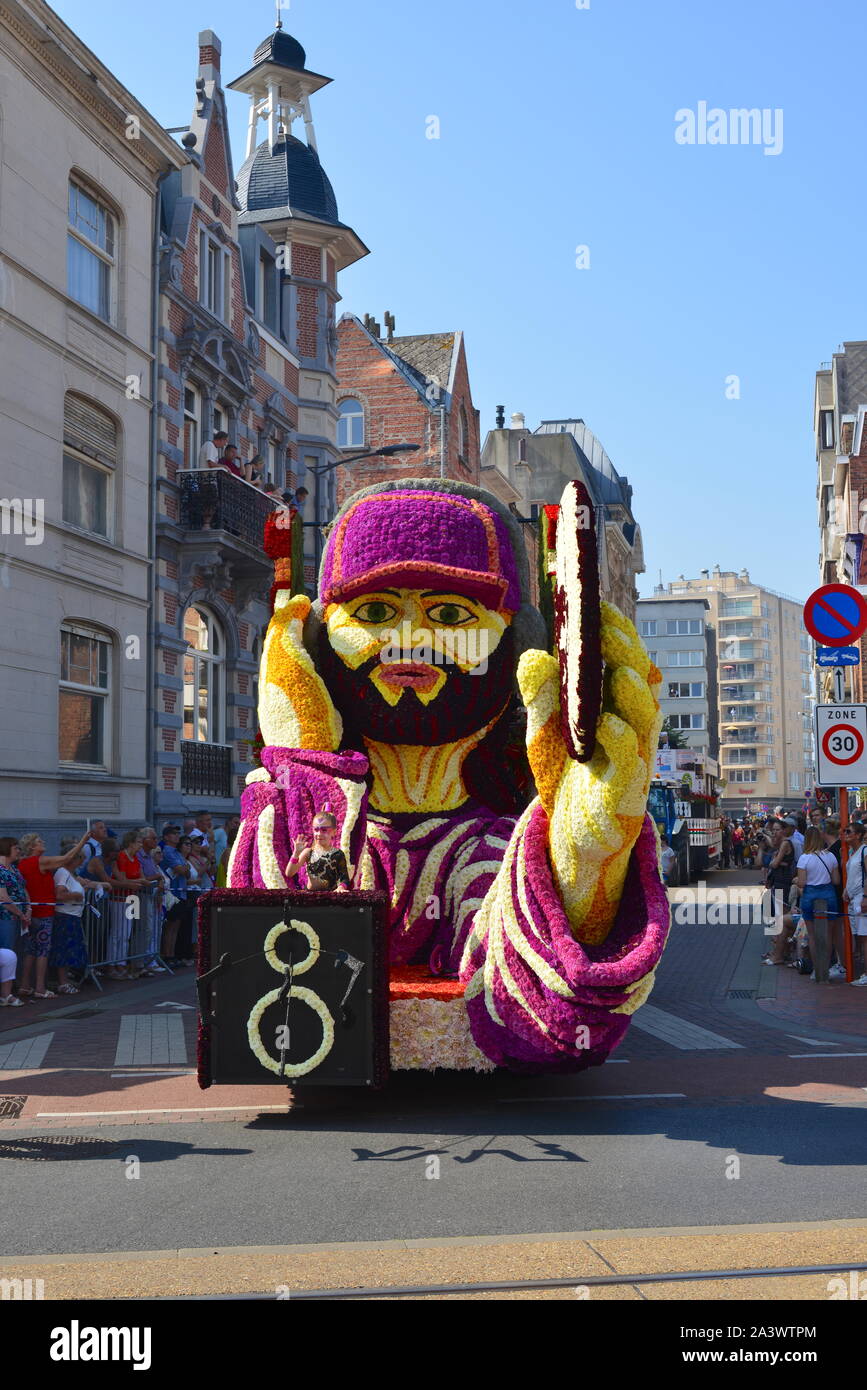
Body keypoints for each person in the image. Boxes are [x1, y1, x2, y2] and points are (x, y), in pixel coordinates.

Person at [17, 829, 90, 999]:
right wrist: (83, 841)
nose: (43, 842)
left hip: (31, 911)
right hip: (44, 912)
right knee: (42, 950)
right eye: (39, 841)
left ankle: (25, 985)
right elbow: (65, 859)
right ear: (32, 846)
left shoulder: (23, 863)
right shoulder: (40, 861)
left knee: (30, 950)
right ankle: (40, 988)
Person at [796, 827, 840, 984]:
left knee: (813, 936)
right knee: (828, 935)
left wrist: (796, 881)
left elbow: (801, 883)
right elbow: (836, 881)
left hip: (811, 894)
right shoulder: (831, 857)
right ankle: (826, 969)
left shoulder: (804, 858)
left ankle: (817, 970)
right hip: (828, 894)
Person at [50, 840, 90, 994]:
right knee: (64, 949)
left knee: (70, 949)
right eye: (79, 857)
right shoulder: (62, 873)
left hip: (73, 915)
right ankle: (62, 982)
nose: (82, 861)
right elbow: (59, 894)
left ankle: (65, 979)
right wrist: (76, 895)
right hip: (65, 915)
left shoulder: (72, 874)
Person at [285, 810, 351, 891]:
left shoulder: (338, 854)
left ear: (334, 832)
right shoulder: (308, 852)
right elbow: (289, 873)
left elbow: (344, 878)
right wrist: (295, 854)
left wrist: (341, 887)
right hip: (310, 896)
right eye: (316, 830)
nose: (319, 834)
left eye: (324, 830)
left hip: (330, 897)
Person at [842, 821, 867, 985]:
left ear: (858, 834)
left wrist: (865, 896)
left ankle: (866, 973)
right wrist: (846, 890)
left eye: (848, 831)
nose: (845, 834)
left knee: (864, 936)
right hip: (853, 898)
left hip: (861, 898)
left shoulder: (864, 851)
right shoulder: (853, 852)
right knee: (859, 935)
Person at [0, 837, 30, 956]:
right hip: (6, 919)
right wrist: (21, 914)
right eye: (16, 848)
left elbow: (24, 889)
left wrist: (29, 909)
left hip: (19, 918)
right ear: (6, 848)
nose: (19, 851)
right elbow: (3, 897)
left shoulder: (14, 869)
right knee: (7, 954)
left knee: (17, 953)